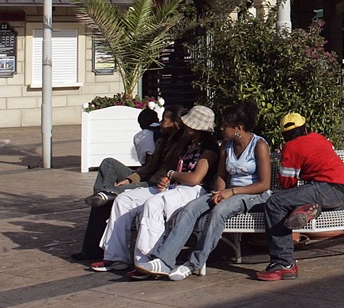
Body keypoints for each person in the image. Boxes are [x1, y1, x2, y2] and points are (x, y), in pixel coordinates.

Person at [138, 100, 272, 279]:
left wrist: (230, 193)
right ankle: (164, 260)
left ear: (238, 128)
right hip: (230, 192)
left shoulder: (259, 145)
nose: (221, 129)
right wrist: (219, 192)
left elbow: (264, 184)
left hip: (254, 194)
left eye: (225, 126)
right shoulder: (226, 145)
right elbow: (221, 176)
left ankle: (194, 263)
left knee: (219, 211)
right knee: (190, 209)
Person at [92, 105, 219, 272]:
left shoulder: (209, 148)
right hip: (175, 187)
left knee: (154, 204)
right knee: (124, 200)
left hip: (193, 191)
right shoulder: (188, 143)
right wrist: (167, 179)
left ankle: (146, 259)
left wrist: (172, 174)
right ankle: (115, 257)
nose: (185, 126)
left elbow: (195, 178)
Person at [72, 104, 183, 262]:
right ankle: (104, 194)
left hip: (156, 185)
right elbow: (149, 167)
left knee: (106, 201)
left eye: (164, 120)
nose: (161, 123)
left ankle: (105, 200)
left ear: (175, 124)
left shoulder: (182, 144)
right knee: (108, 163)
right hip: (146, 178)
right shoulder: (162, 139)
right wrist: (130, 179)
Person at [256, 112, 344, 281]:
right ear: (305, 127)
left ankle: (284, 263)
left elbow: (287, 183)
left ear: (284, 134)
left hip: (325, 186)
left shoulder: (291, 147)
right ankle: (306, 208)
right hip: (342, 194)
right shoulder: (318, 138)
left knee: (275, 203)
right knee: (292, 201)